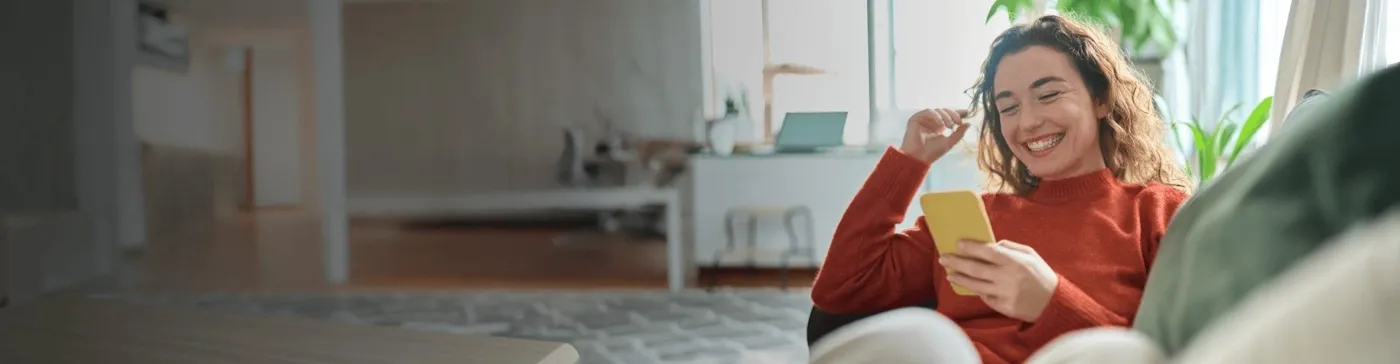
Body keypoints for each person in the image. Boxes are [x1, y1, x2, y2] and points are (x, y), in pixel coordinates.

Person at [808, 15, 1192, 364]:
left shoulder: (1158, 212)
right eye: (1008, 108)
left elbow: (1179, 349)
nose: (1027, 122)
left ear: (1101, 99)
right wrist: (909, 162)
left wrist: (1050, 302)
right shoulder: (975, 220)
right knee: (923, 338)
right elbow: (840, 291)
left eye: (1048, 95)